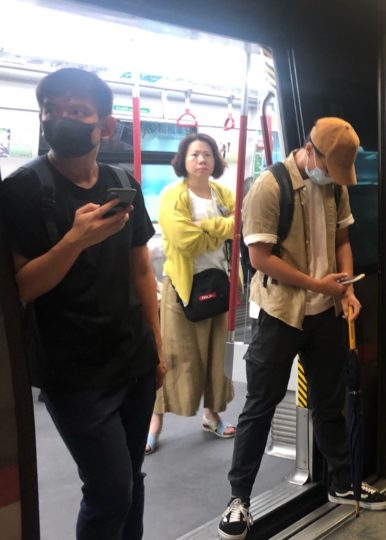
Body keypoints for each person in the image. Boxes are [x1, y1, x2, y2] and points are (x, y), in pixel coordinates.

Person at [0, 68, 164, 539]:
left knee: (131, 480)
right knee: (110, 489)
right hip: (74, 373)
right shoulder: (23, 190)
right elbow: (22, 288)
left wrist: (156, 343)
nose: (60, 120)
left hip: (132, 359)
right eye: (51, 111)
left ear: (105, 127)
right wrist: (74, 239)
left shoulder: (121, 181)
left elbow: (140, 270)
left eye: (77, 112)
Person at [218, 118, 386, 540]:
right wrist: (319, 285)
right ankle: (239, 499)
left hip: (326, 312)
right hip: (281, 312)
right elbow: (260, 257)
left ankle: (341, 481)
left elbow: (342, 241)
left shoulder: (335, 184)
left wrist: (345, 290)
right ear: (310, 152)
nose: (333, 178)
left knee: (329, 402)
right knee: (261, 403)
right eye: (330, 168)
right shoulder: (269, 186)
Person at [147, 133, 237, 455]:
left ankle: (212, 415)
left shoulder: (223, 193)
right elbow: (183, 239)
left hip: (219, 284)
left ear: (215, 161)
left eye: (208, 155)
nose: (202, 160)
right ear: (183, 160)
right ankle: (154, 423)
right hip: (184, 288)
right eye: (195, 154)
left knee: (217, 357)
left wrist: (207, 228)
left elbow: (239, 224)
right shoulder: (173, 194)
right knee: (173, 357)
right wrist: (220, 228)